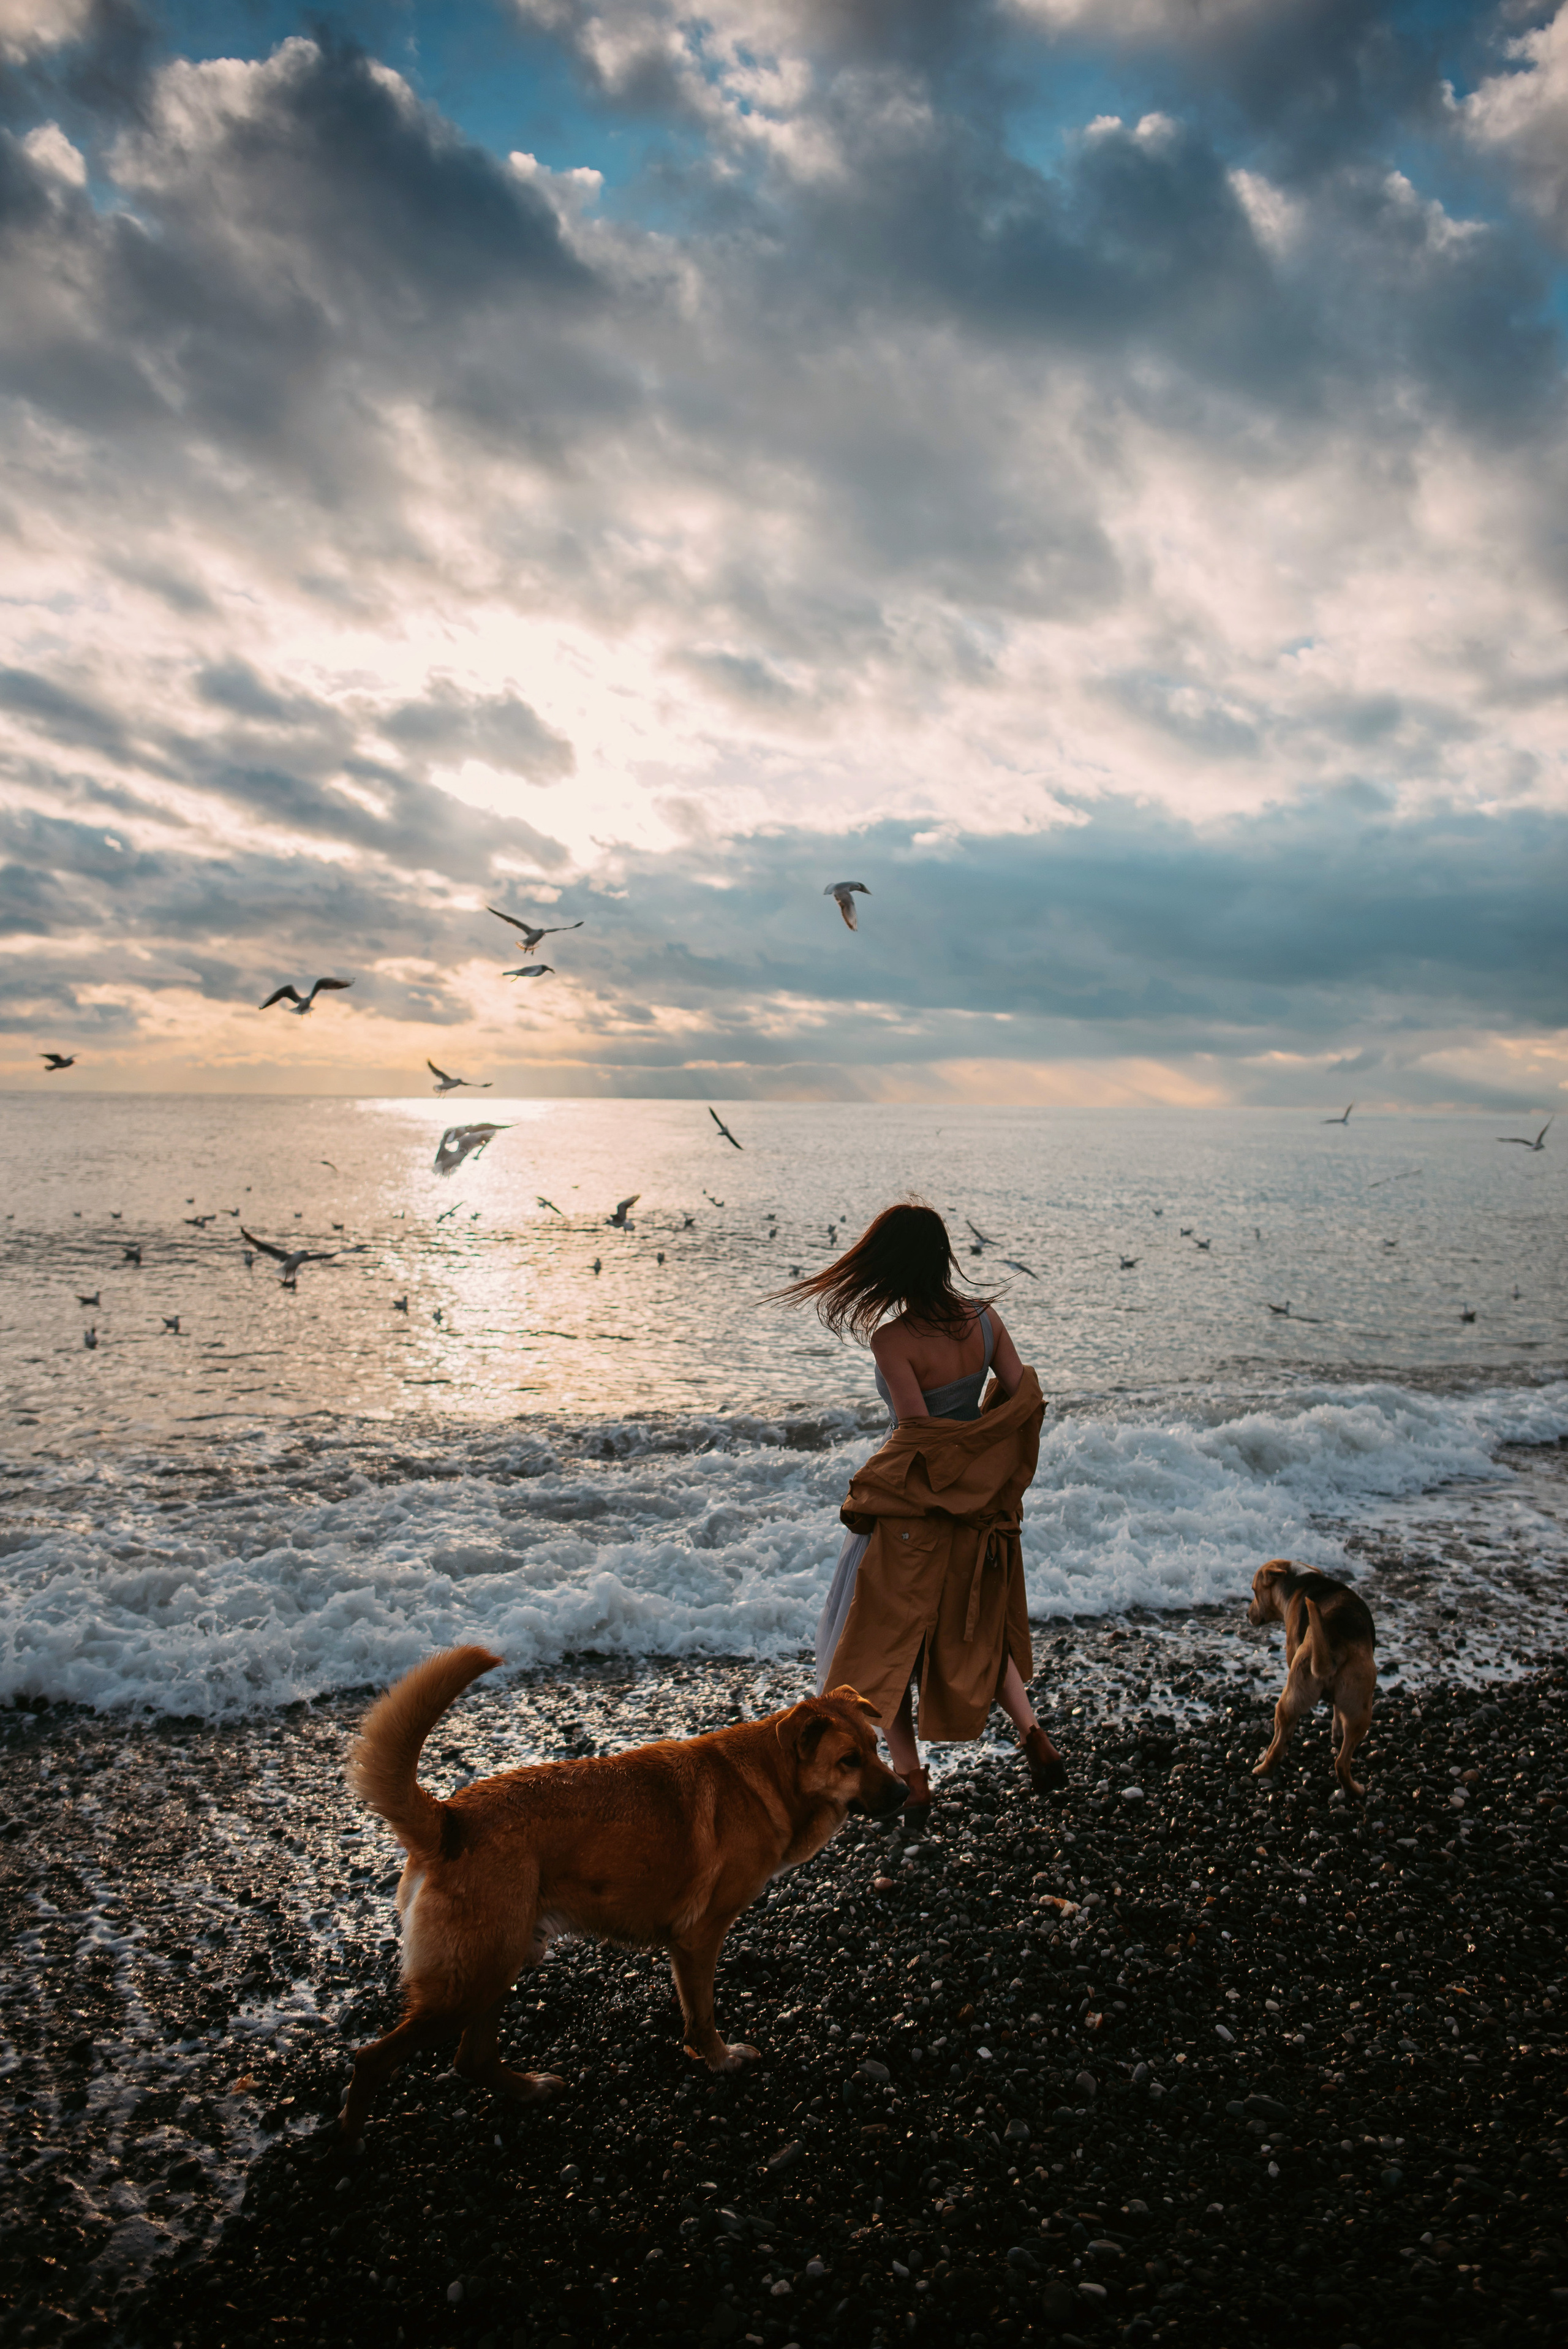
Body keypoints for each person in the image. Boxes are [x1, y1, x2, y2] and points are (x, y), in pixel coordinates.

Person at [778, 1200, 1067, 1818]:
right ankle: (1033, 1736)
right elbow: (1023, 1398)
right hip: (978, 1511)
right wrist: (993, 1474)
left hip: (914, 1516)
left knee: (885, 1648)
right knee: (977, 1628)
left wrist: (868, 1485)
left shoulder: (893, 1339)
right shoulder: (984, 1321)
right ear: (940, 1258)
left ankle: (913, 1781)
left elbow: (916, 1435)